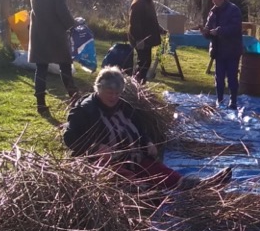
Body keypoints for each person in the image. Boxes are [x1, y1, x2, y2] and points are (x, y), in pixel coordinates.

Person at [63, 67, 232, 191]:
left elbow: (139, 128)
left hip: (135, 158)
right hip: (107, 164)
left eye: (117, 93)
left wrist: (148, 141)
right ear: (98, 88)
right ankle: (143, 192)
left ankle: (202, 185)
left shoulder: (124, 106)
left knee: (163, 173)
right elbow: (70, 138)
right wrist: (94, 147)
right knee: (130, 182)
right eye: (109, 92)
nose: (114, 97)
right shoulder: (85, 110)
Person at [29, 0, 78, 114]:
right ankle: (74, 98)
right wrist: (73, 24)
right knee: (65, 67)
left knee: (41, 68)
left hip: (39, 32)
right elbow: (61, 9)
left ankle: (41, 103)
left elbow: (36, 8)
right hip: (56, 33)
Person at [202, 0, 244, 109]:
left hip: (232, 50)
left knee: (232, 77)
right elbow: (209, 28)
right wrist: (206, 31)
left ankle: (233, 101)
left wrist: (219, 31)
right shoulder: (213, 12)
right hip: (218, 50)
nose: (213, 1)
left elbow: (235, 28)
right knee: (219, 77)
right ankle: (219, 99)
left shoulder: (234, 10)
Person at [128, 0, 166, 84]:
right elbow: (134, 24)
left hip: (147, 40)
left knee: (146, 63)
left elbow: (152, 20)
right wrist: (139, 39)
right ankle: (137, 85)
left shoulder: (148, 2)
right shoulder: (138, 4)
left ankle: (140, 84)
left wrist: (160, 30)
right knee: (143, 64)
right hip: (141, 40)